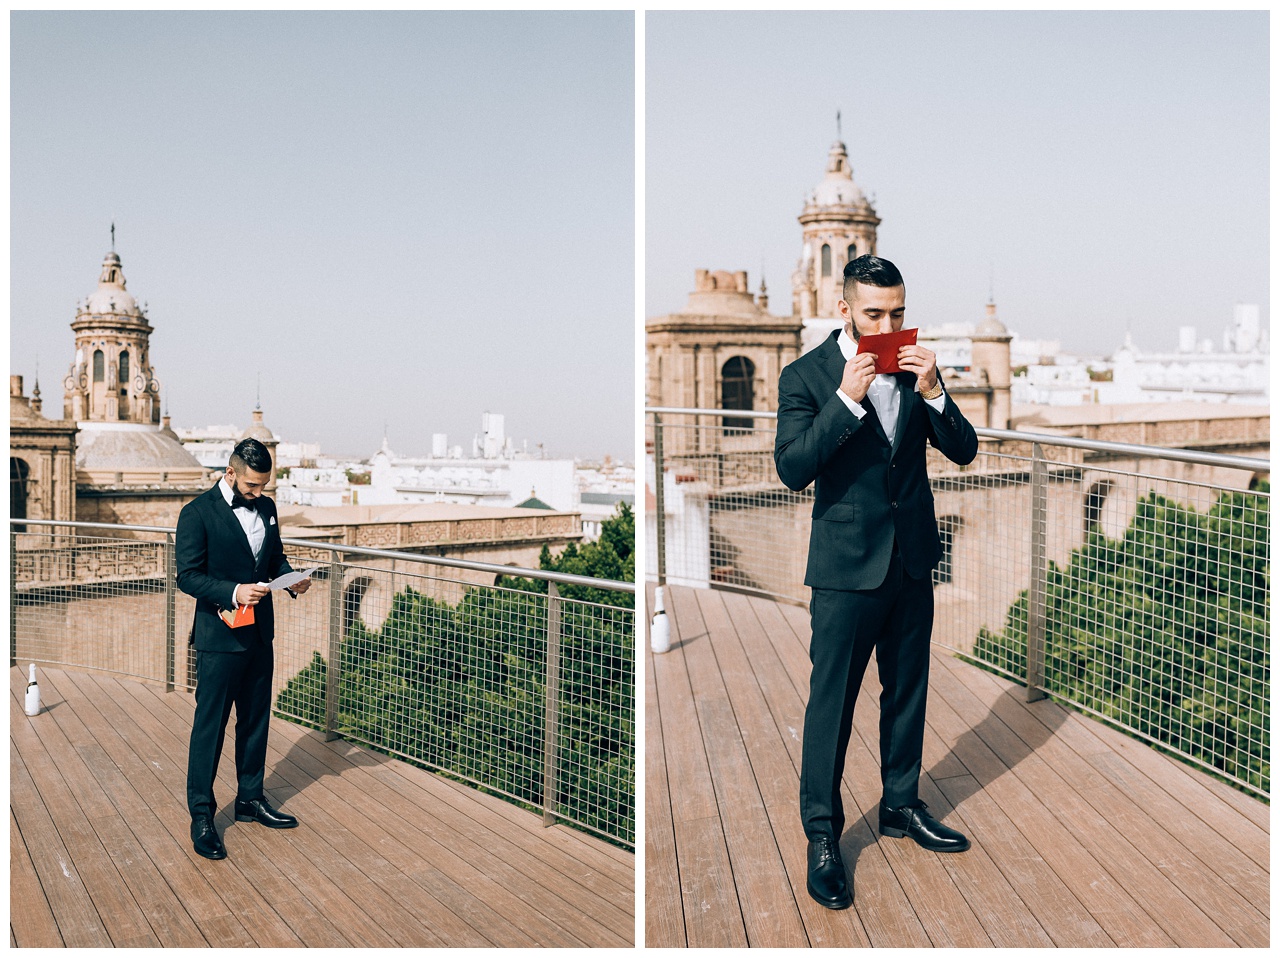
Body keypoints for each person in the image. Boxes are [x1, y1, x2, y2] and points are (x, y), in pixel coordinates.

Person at [774, 254, 978, 910]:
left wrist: (937, 393)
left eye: (897, 313)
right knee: (831, 708)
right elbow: (792, 468)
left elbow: (965, 449)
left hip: (912, 560)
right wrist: (845, 402)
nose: (888, 325)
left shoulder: (917, 369)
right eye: (873, 314)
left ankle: (900, 805)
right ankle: (823, 837)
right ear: (844, 310)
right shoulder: (805, 376)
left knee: (907, 693)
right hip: (845, 568)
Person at [176, 437, 311, 860]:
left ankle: (250, 800)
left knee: (255, 721)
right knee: (210, 728)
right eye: (252, 487)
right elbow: (188, 576)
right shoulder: (196, 514)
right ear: (230, 473)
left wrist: (292, 579)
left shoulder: (267, 509)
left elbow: (274, 560)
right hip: (219, 638)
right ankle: (202, 815)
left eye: (264, 487)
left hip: (258, 635)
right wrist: (233, 591)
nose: (258, 494)